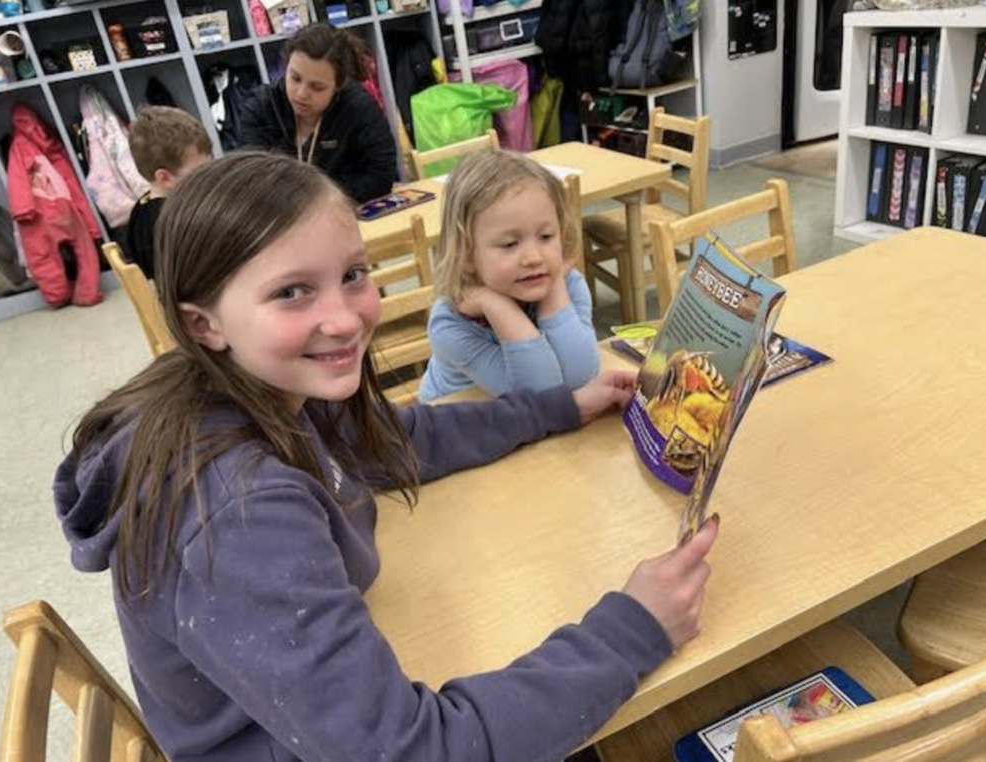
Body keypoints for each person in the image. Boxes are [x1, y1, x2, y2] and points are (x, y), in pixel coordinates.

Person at [54, 152, 719, 762]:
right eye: (292, 292)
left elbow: (395, 441)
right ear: (205, 323)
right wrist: (634, 629)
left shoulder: (266, 384)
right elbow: (412, 752)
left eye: (352, 275)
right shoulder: (238, 517)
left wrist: (560, 408)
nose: (344, 319)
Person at [419, 150, 600, 402]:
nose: (534, 258)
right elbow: (540, 395)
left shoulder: (569, 285)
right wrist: (496, 305)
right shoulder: (449, 323)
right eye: (509, 244)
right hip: (458, 427)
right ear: (468, 255)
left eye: (546, 236)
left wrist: (554, 287)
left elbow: (581, 376)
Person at [238, 23, 395, 203]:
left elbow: (381, 176)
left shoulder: (358, 107)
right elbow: (251, 182)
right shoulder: (260, 108)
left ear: (338, 85)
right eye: (295, 78)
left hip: (344, 214)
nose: (301, 93)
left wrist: (318, 200)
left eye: (317, 87)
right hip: (282, 219)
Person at [127, 106, 213, 280]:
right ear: (165, 178)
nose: (210, 177)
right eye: (201, 172)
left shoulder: (140, 209)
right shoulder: (173, 220)